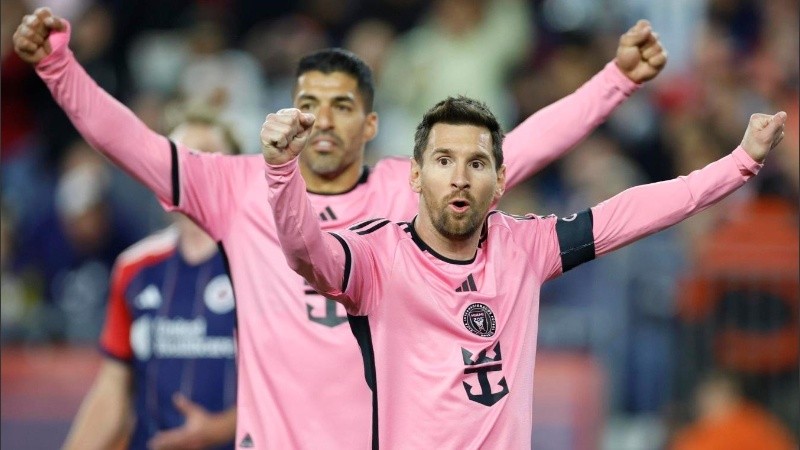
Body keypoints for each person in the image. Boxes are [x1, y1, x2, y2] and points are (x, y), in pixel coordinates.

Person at [13, 7, 667, 448]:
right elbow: (131, 143)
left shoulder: (407, 188)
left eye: (342, 106)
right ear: (288, 111)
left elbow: (525, 145)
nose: (322, 120)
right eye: (308, 104)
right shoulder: (237, 185)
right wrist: (59, 69)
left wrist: (616, 81)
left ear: (371, 125)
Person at [260, 98, 786, 448]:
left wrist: (740, 162)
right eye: (443, 160)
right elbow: (308, 253)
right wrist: (283, 173)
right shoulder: (376, 257)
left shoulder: (525, 246)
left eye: (477, 163)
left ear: (501, 179)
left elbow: (631, 212)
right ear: (416, 176)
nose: (460, 178)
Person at [63, 111, 241, 450]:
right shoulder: (135, 266)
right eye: (175, 155)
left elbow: (295, 386)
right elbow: (112, 389)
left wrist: (219, 429)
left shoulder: (266, 266)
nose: (185, 165)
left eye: (202, 153)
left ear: (235, 172)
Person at [669, 371, 797, 450]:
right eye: (705, 396)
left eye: (715, 395)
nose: (706, 402)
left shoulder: (754, 426)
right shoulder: (694, 432)